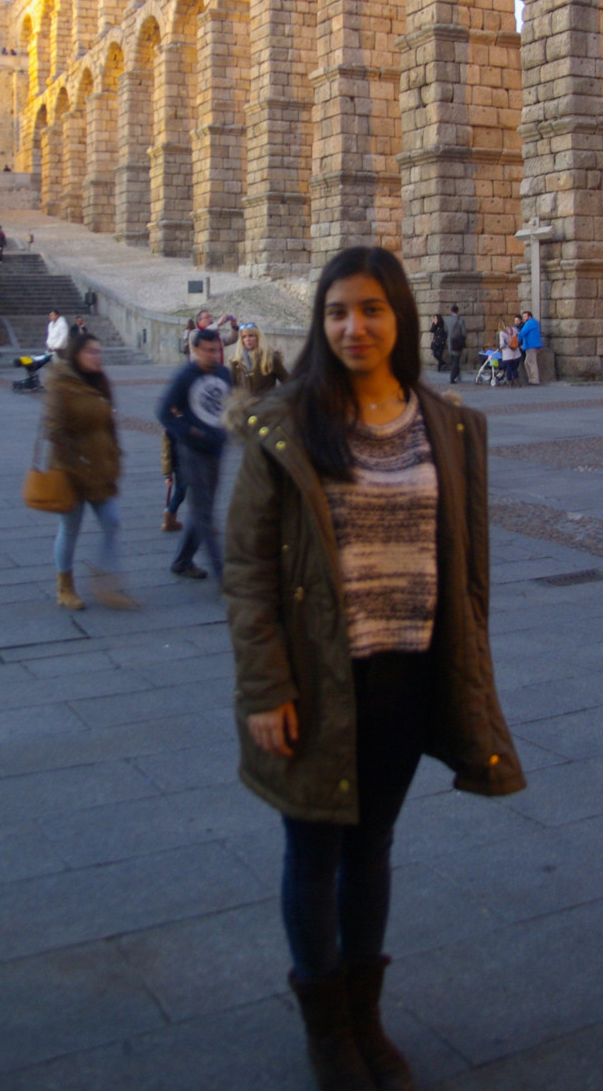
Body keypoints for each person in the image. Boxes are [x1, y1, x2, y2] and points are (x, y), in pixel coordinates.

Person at [224, 247, 524, 1091]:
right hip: (316, 677)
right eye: (336, 311)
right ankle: (327, 1031)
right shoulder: (285, 422)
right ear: (319, 323)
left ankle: (364, 1016)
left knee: (372, 849)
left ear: (401, 317)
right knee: (313, 853)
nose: (352, 326)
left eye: (370, 309)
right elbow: (246, 568)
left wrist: (467, 671)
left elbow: (464, 562)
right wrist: (264, 686)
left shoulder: (447, 424)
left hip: (406, 673)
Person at [43, 328, 138, 610]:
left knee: (112, 522)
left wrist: (114, 453)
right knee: (70, 529)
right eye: (91, 352)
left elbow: (108, 424)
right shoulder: (62, 385)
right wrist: (76, 461)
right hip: (71, 471)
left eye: (99, 352)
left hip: (99, 468)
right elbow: (54, 430)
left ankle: (106, 582)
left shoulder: (100, 382)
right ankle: (65, 587)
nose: (97, 357)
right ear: (77, 354)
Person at [155, 328, 231, 581]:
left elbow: (230, 406)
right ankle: (222, 575)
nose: (213, 355)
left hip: (216, 450)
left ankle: (182, 561)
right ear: (195, 350)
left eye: (216, 350)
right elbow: (164, 412)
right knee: (205, 513)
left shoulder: (224, 374)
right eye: (208, 350)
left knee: (202, 510)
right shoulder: (185, 376)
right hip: (192, 453)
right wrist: (188, 432)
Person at [229, 321, 288, 397]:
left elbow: (287, 381)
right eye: (244, 337)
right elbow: (231, 388)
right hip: (244, 403)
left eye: (251, 336)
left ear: (258, 337)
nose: (248, 339)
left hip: (265, 403)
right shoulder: (236, 361)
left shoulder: (270, 358)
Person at [160, 430, 185, 533]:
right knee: (183, 493)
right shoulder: (189, 424)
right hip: (186, 464)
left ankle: (169, 520)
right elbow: (166, 454)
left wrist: (167, 474)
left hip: (180, 465)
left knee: (180, 493)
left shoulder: (169, 428)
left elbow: (166, 454)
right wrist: (167, 475)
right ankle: (169, 520)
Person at [518, 309, 542, 385]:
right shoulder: (535, 322)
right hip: (534, 345)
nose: (524, 318)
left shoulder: (529, 323)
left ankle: (534, 380)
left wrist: (515, 341)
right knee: (527, 362)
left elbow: (522, 333)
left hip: (531, 345)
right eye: (523, 317)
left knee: (531, 362)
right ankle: (531, 379)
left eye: (525, 316)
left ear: (529, 316)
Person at [445, 303, 467, 384]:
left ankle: (457, 374)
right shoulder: (460, 320)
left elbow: (445, 330)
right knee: (456, 360)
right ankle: (452, 377)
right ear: (457, 311)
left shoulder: (447, 320)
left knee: (454, 359)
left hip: (449, 342)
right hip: (457, 342)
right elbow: (464, 332)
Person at [498, 319, 522, 386]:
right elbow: (519, 336)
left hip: (508, 354)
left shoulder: (502, 333)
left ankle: (510, 381)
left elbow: (502, 344)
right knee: (515, 368)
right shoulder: (514, 329)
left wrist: (504, 345)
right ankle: (517, 381)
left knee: (509, 369)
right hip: (516, 353)